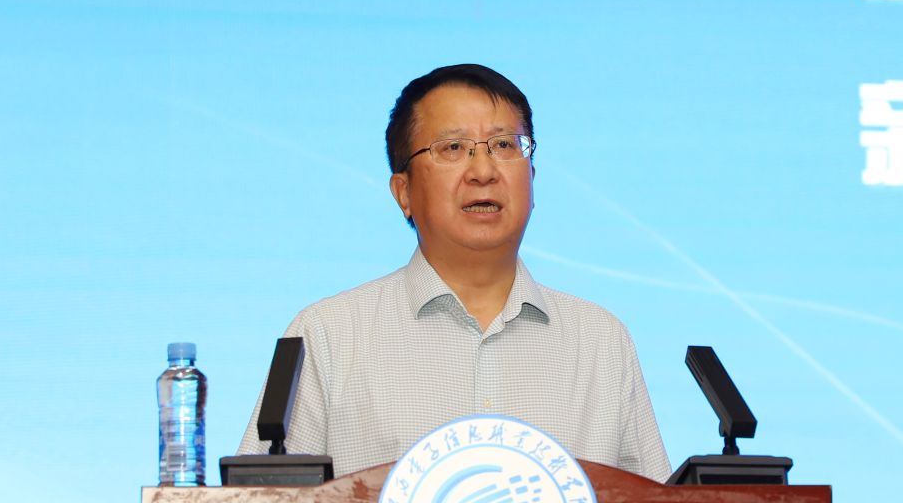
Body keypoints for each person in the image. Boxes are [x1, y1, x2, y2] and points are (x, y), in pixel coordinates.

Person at [234, 63, 671, 480]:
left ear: (532, 178)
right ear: (403, 192)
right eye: (453, 148)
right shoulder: (328, 336)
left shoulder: (600, 342)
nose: (483, 171)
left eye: (505, 145)